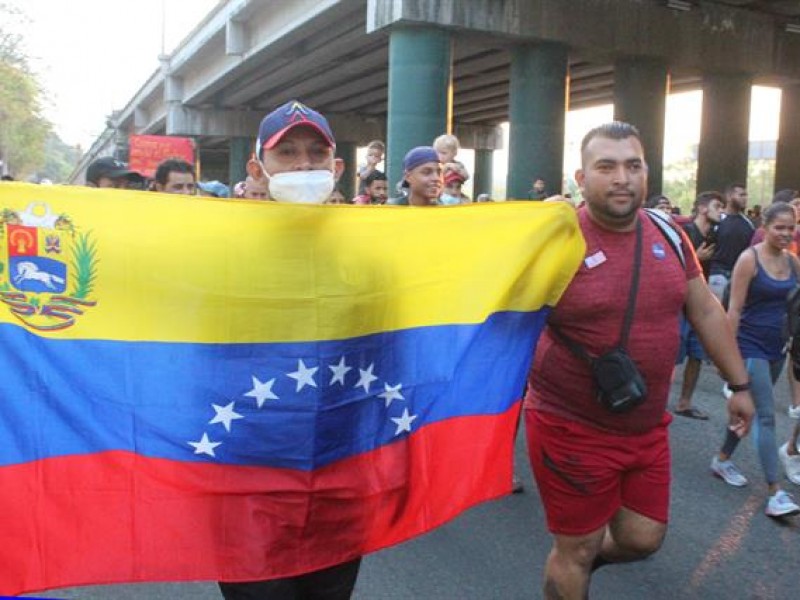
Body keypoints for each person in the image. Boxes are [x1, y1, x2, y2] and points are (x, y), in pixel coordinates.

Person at [524, 122, 754, 599]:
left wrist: (740, 385)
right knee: (575, 550)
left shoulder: (670, 233)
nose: (622, 177)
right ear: (581, 178)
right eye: (605, 167)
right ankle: (575, 567)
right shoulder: (555, 239)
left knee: (642, 538)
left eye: (633, 165)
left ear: (647, 171)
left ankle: (582, 566)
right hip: (571, 426)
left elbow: (706, 310)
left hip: (646, 425)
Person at [219, 100, 355, 600]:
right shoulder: (219, 248)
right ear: (259, 169)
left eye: (317, 154)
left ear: (337, 168)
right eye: (288, 153)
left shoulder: (373, 247)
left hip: (338, 473)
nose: (304, 165)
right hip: (245, 468)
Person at [709, 202, 800, 517]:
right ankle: (776, 493)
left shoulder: (793, 262)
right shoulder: (749, 260)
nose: (786, 233)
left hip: (778, 347)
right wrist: (727, 358)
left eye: (791, 228)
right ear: (766, 226)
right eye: (780, 227)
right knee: (765, 416)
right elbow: (733, 310)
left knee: (747, 413)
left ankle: (721, 459)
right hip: (748, 346)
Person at [673, 191, 724, 419]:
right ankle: (653, 404)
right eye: (717, 206)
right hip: (679, 306)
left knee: (697, 354)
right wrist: (696, 258)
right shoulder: (685, 233)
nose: (721, 211)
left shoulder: (714, 235)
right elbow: (670, 268)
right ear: (703, 208)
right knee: (672, 356)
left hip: (699, 304)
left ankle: (684, 403)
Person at [707, 182, 755, 302]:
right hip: (717, 272)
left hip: (738, 274)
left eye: (746, 195)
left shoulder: (748, 224)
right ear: (729, 197)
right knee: (716, 310)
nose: (745, 198)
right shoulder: (716, 220)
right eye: (741, 195)